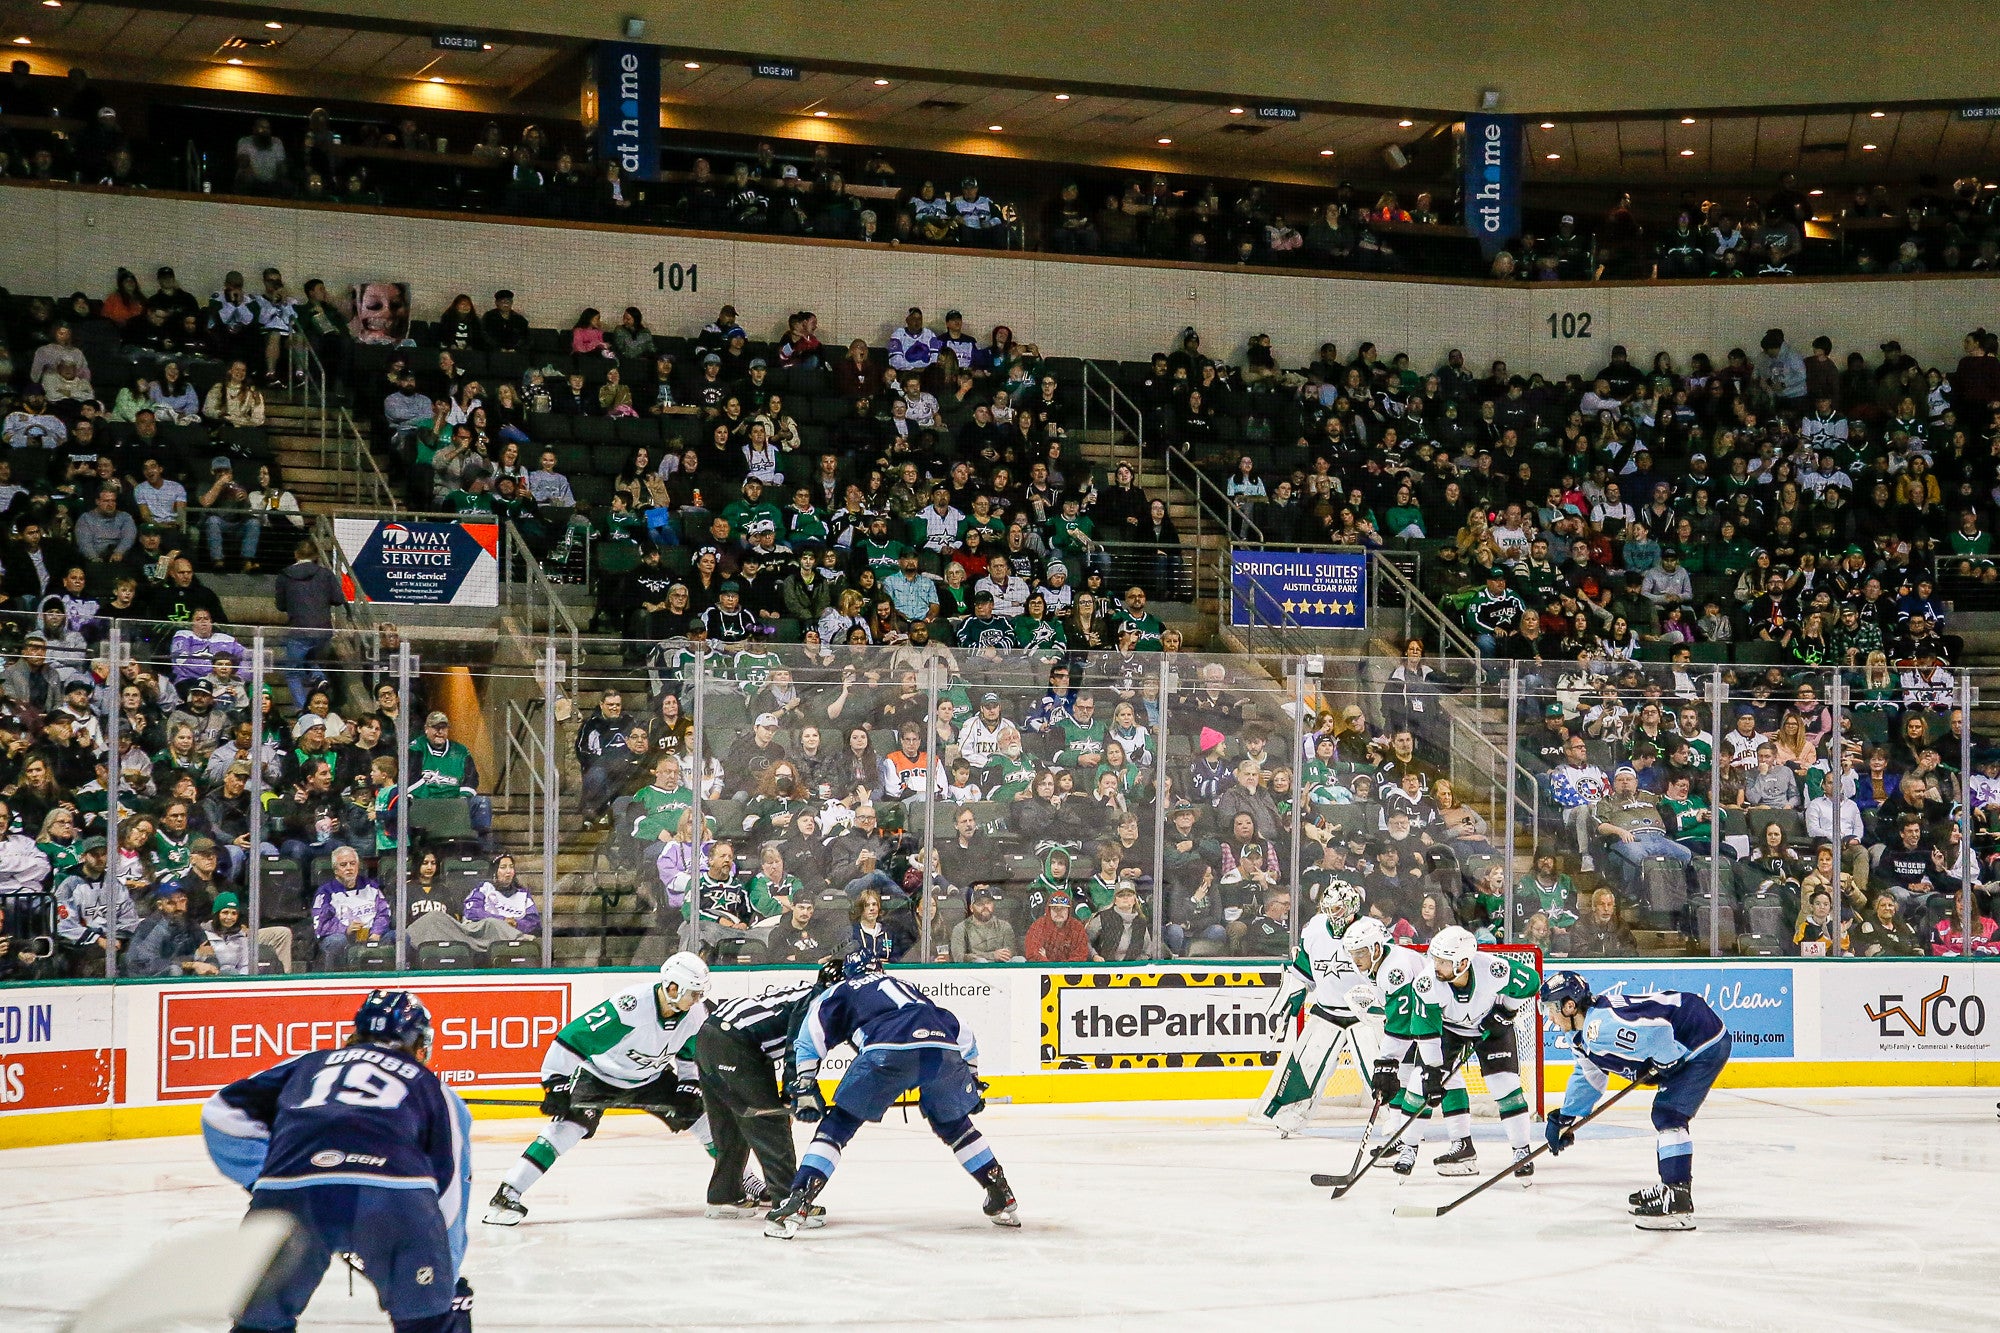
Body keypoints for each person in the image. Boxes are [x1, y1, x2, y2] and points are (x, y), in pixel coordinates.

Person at [200, 991, 474, 1331]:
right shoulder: (434, 1088)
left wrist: (266, 1180)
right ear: (418, 1043)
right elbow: (450, 1185)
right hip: (394, 1195)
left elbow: (220, 1113)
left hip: (292, 1192)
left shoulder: (309, 1064)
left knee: (260, 1323)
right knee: (428, 1321)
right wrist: (445, 1274)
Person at [765, 952, 1017, 1237]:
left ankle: (799, 1199)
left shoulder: (841, 989)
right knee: (953, 1123)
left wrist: (805, 1084)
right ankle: (1000, 1191)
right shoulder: (906, 986)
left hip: (886, 1050)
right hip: (942, 1051)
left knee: (838, 1125)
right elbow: (964, 1035)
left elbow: (810, 1036)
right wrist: (971, 1079)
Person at [486, 953, 736, 1225]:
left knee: (705, 1123)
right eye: (693, 993)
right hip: (599, 1076)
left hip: (651, 1078)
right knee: (566, 1130)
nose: (698, 999)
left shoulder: (695, 1014)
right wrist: (555, 1084)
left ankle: (744, 1183)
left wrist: (689, 1086)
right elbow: (574, 1038)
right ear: (672, 988)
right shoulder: (631, 1007)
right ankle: (508, 1192)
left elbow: (690, 1053)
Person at [1541, 969, 1732, 1230]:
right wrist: (1566, 1115)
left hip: (1702, 1039)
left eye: (1551, 1008)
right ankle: (1671, 1189)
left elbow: (1658, 1032)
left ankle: (1676, 1200)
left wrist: (1667, 1059)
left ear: (1570, 1005)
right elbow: (1590, 1078)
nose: (1549, 1017)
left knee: (1669, 1114)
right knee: (1666, 1113)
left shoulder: (1601, 1028)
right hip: (1688, 1036)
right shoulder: (1582, 1035)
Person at [694, 960, 841, 1222]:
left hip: (710, 1034)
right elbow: (798, 1046)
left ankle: (724, 1196)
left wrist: (790, 1092)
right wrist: (796, 1092)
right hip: (737, 1044)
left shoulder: (811, 994)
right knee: (770, 1123)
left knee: (732, 1124)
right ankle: (789, 1202)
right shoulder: (818, 1003)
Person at [1416, 926, 1542, 1180]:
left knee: (1505, 1085)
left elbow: (1531, 982)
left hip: (1488, 1027)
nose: (1435, 965)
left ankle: (1522, 1151)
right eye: (1435, 958)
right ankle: (1462, 1147)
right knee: (1443, 1079)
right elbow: (1424, 1026)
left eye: (1443, 961)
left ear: (1462, 962)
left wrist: (1507, 1011)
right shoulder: (1428, 980)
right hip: (1450, 1028)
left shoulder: (1493, 968)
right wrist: (1431, 1070)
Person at [1250, 881, 1372, 1136]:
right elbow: (1303, 968)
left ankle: (1402, 1120)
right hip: (1327, 1011)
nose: (1331, 914)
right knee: (1306, 1063)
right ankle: (1289, 1116)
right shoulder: (1315, 928)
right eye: (1327, 908)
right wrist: (1293, 994)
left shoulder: (1371, 930)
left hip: (1365, 1015)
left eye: (1337, 908)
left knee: (1380, 1067)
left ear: (1350, 907)